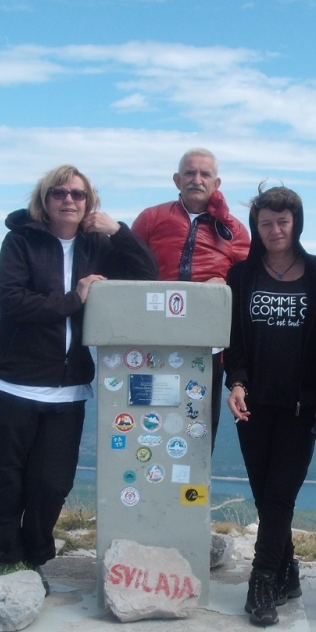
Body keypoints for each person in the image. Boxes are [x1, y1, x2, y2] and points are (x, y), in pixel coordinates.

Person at [0, 165, 157, 590]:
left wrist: (120, 231)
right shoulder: (20, 240)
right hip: (8, 381)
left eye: (78, 194)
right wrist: (75, 298)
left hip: (68, 385)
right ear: (44, 200)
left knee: (53, 482)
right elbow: (11, 302)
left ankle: (35, 556)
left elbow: (147, 275)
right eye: (59, 193)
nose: (69, 200)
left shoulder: (98, 244)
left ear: (89, 202)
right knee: (9, 475)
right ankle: (7, 555)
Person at [224, 185, 316, 626]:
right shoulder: (242, 275)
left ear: (297, 223)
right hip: (253, 405)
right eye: (267, 222)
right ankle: (288, 572)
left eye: (283, 221)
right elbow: (234, 340)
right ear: (257, 227)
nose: (275, 230)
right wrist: (234, 382)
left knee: (279, 495)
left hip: (301, 408)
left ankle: (261, 583)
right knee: (266, 497)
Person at [132, 148, 250, 452]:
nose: (196, 180)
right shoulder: (151, 218)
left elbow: (249, 285)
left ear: (216, 183)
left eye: (205, 174)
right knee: (149, 429)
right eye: (189, 173)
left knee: (196, 433)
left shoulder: (234, 230)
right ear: (177, 179)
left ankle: (192, 496)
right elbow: (127, 266)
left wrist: (225, 285)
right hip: (154, 342)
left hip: (206, 349)